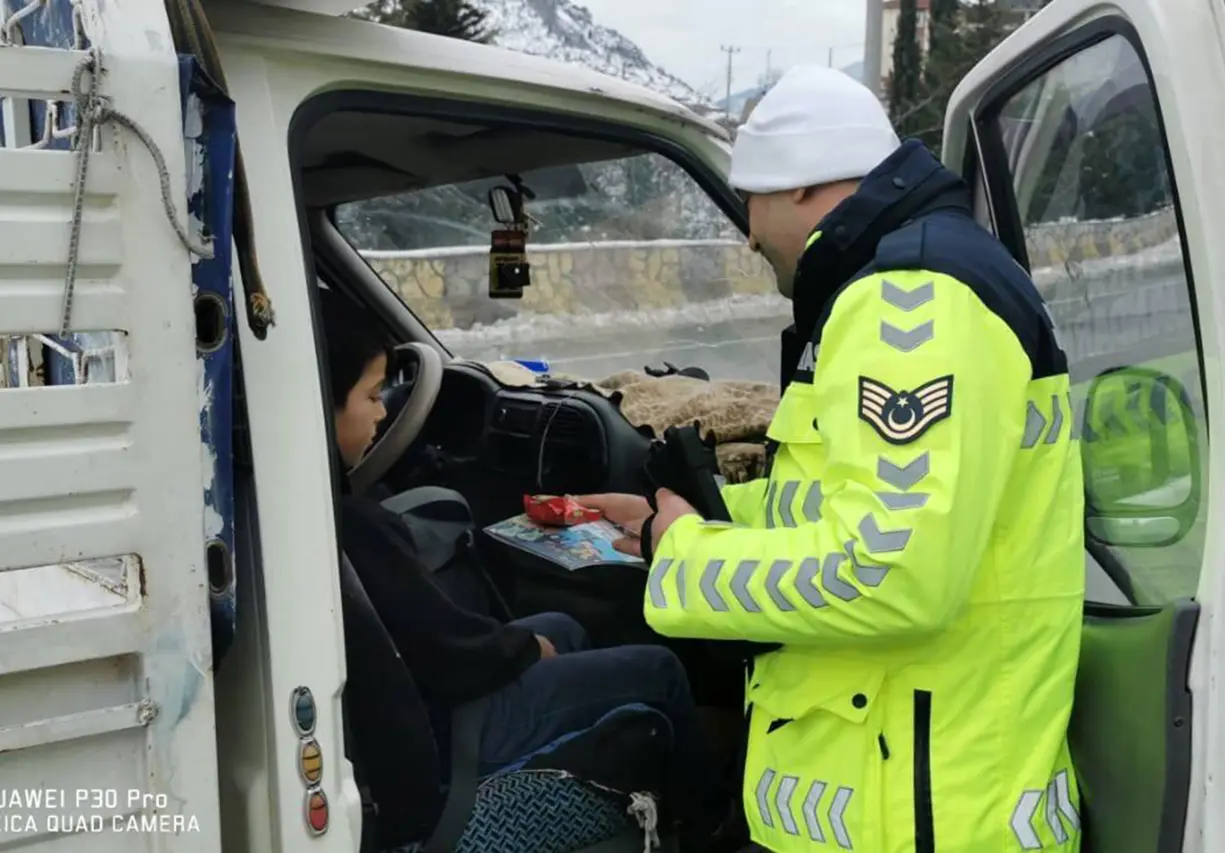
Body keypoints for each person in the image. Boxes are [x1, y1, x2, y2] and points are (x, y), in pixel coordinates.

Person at [580, 65, 1085, 853]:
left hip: (923, 814)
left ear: (805, 189)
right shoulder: (905, 284)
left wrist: (681, 554)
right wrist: (682, 516)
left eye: (752, 201)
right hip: (915, 793)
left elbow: (890, 571)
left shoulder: (911, 300)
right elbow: (850, 502)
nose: (747, 233)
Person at [320, 290, 727, 845]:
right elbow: (446, 649)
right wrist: (520, 650)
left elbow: (437, 639)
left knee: (562, 626)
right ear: (322, 404)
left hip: (426, 697)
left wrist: (522, 645)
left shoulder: (319, 510)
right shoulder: (357, 526)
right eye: (371, 394)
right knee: (659, 669)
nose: (383, 410)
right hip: (449, 727)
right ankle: (707, 823)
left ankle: (611, 750)